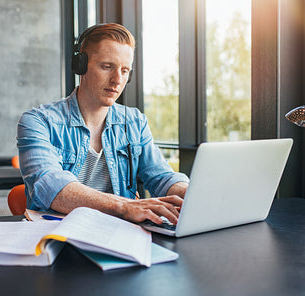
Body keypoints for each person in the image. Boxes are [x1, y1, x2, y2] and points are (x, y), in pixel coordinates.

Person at [17, 23, 189, 225]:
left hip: (118, 233)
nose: (117, 80)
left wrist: (191, 194)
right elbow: (51, 187)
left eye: (125, 71)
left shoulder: (135, 122)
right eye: (107, 66)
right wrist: (124, 206)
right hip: (57, 235)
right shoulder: (38, 121)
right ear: (80, 65)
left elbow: (161, 177)